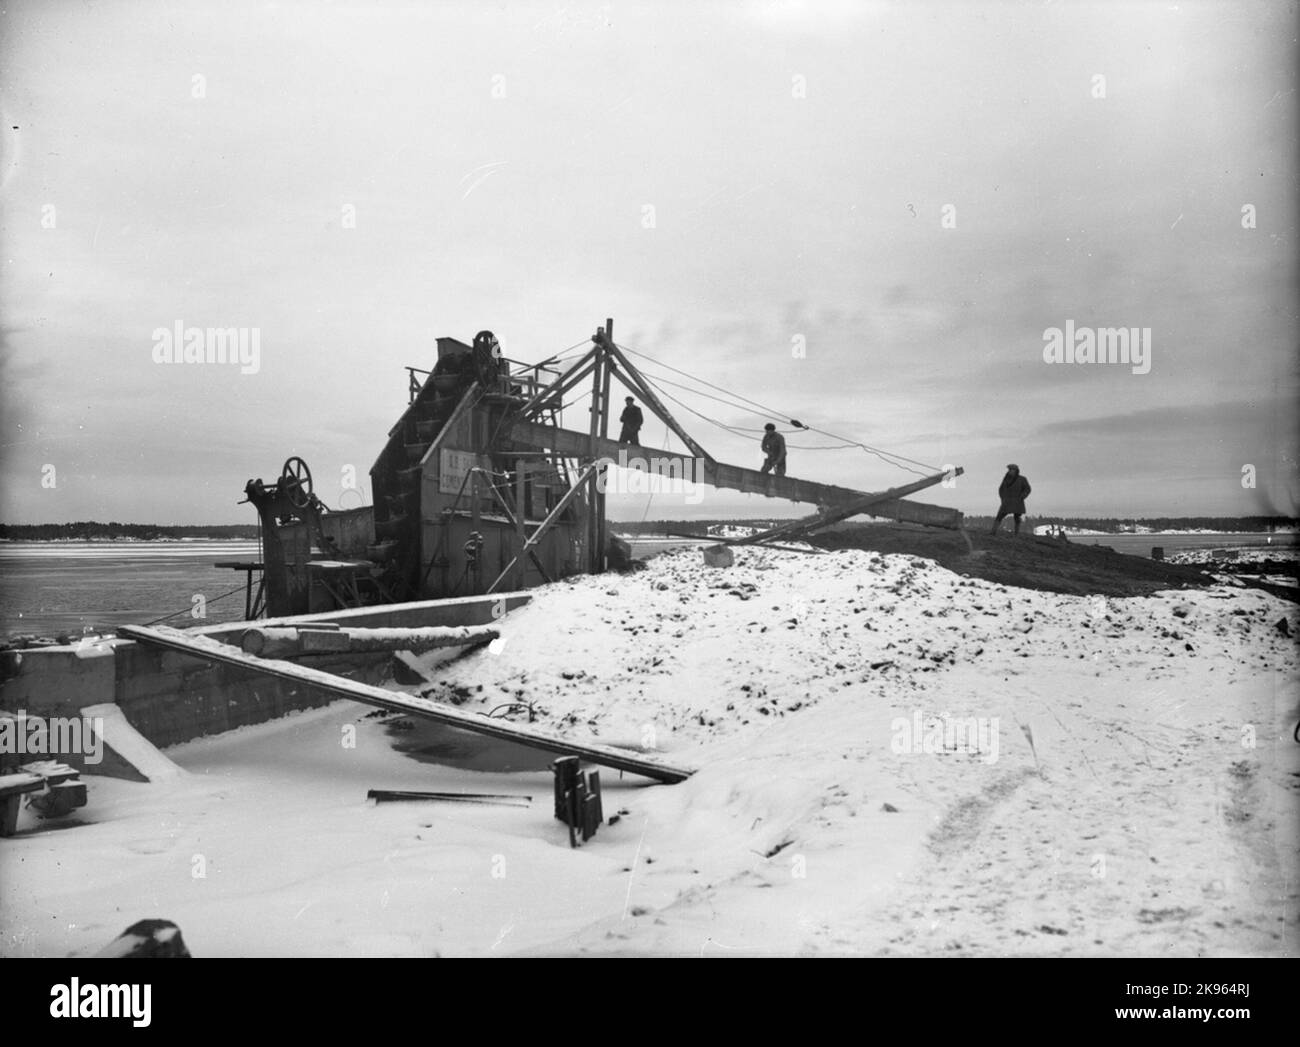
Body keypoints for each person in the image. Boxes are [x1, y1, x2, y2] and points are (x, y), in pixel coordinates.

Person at [991, 463, 1032, 535]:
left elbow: (1027, 489)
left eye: (1012, 470)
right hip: (1006, 502)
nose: (1011, 471)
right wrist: (1003, 498)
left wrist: (1022, 496)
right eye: (1010, 470)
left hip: (1017, 501)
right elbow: (1001, 490)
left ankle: (1016, 534)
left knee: (1017, 518)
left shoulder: (1022, 479)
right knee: (999, 516)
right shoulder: (1006, 480)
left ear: (1016, 471)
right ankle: (993, 532)